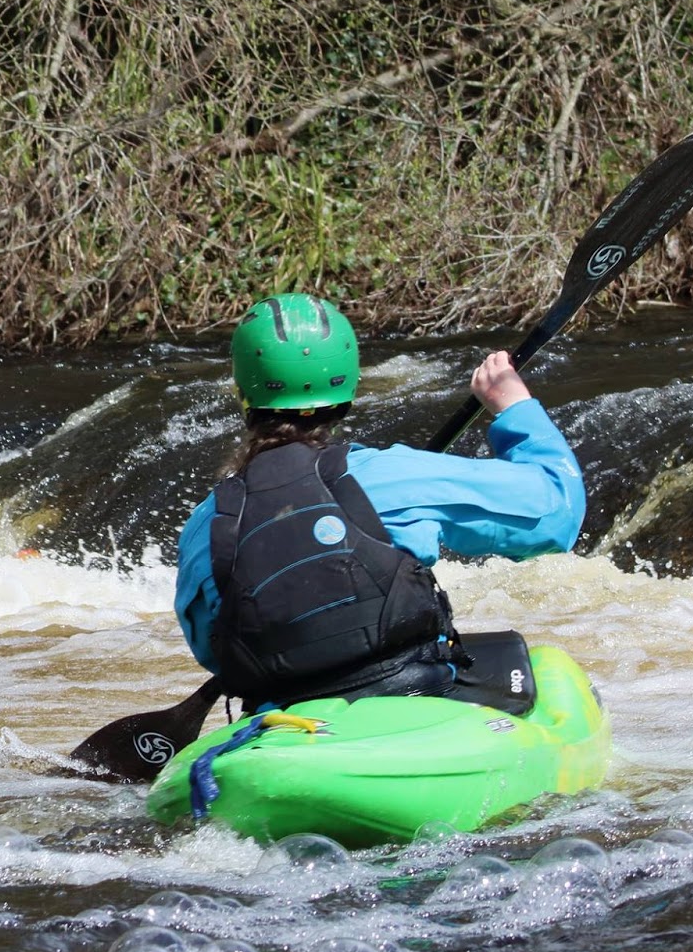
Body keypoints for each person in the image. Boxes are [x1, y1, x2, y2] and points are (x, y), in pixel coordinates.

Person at [175, 293, 585, 712]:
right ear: (348, 385)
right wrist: (513, 406)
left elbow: (212, 649)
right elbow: (558, 513)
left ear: (242, 391)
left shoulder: (206, 525)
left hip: (284, 723)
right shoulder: (396, 475)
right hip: (412, 697)